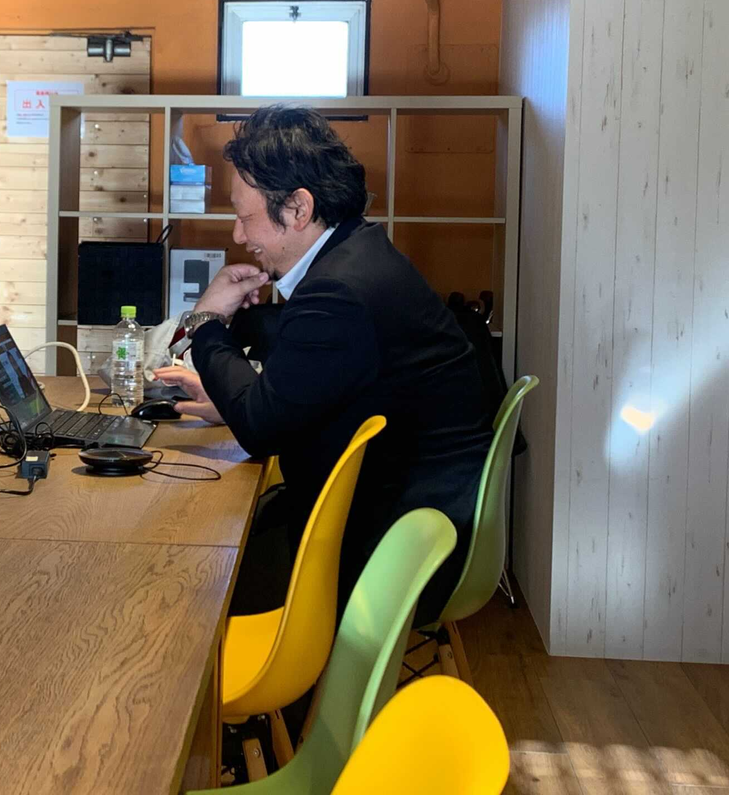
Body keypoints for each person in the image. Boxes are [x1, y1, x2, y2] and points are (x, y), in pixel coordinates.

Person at [154, 105, 493, 623]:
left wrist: (206, 322)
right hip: (424, 520)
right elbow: (305, 395)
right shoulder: (360, 252)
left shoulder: (337, 290)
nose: (240, 236)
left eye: (245, 217)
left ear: (297, 208)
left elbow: (261, 430)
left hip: (392, 550)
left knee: (192, 581)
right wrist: (234, 401)